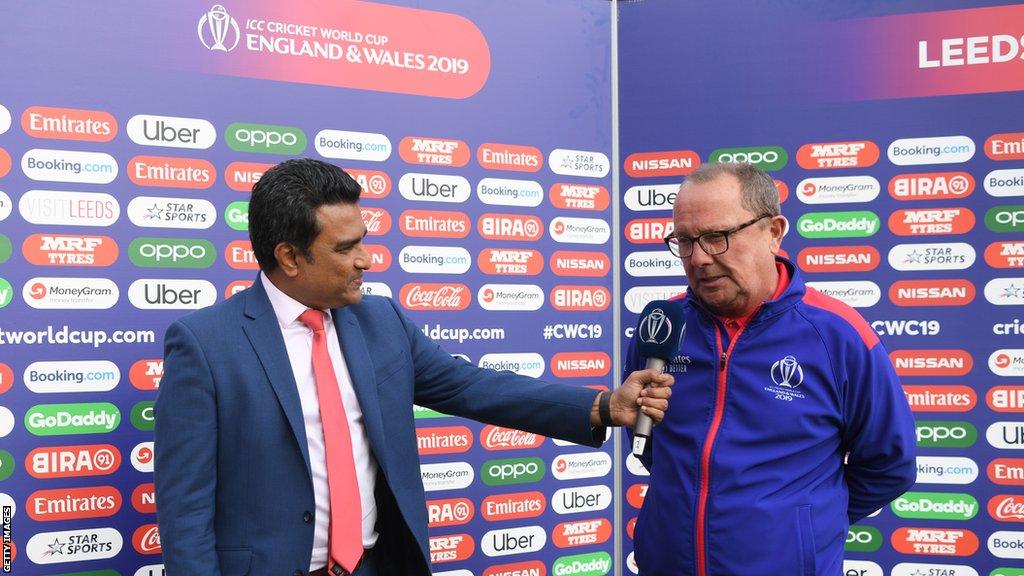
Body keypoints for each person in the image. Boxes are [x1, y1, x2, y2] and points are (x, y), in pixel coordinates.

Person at [154, 158, 673, 576]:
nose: (367, 260)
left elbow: (472, 386)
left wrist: (604, 405)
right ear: (289, 257)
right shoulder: (205, 345)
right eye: (346, 248)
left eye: (364, 239)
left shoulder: (380, 321)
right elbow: (186, 509)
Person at [627, 162, 915, 576]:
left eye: (717, 237)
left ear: (774, 232)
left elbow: (889, 464)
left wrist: (801, 524)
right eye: (685, 240)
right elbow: (649, 441)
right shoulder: (662, 325)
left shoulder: (839, 335)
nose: (699, 258)